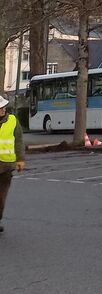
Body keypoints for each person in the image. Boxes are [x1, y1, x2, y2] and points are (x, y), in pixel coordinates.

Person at [0, 94, 28, 234]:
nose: (2, 110)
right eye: (0, 108)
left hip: (6, 166)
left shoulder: (13, 121)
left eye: (3, 107)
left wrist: (20, 159)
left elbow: (19, 141)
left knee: (1, 197)